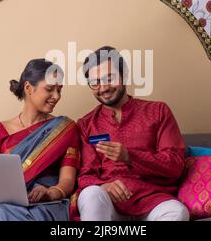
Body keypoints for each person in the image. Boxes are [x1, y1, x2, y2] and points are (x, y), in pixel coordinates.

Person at [70, 46, 189, 221]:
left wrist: (130, 156)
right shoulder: (86, 124)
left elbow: (175, 166)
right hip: (109, 204)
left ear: (124, 75)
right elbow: (85, 176)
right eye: (95, 83)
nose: (103, 88)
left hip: (152, 201)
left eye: (109, 78)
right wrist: (105, 186)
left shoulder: (158, 111)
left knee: (177, 213)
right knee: (91, 194)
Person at [0, 59, 80, 221]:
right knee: (1, 212)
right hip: (4, 205)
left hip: (47, 205)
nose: (56, 96)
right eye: (50, 89)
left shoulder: (64, 129)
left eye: (59, 90)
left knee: (3, 214)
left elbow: (67, 179)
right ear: (29, 88)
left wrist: (51, 192)